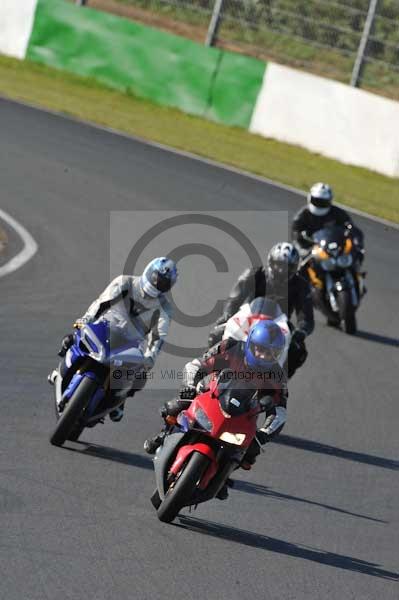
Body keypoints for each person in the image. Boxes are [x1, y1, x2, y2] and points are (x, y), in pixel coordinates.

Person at [144, 320, 288, 499]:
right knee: (178, 404)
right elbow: (197, 364)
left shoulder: (277, 375)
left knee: (250, 450)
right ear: (250, 342)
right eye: (260, 349)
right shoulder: (231, 347)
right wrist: (190, 385)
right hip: (211, 395)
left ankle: (224, 475)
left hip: (243, 416)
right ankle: (163, 435)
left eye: (270, 353)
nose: (263, 356)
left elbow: (280, 412)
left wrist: (265, 432)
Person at [49, 257, 178, 422]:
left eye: (163, 283)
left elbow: (159, 335)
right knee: (71, 340)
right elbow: (101, 302)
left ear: (168, 286)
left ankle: (119, 402)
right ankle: (60, 373)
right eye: (156, 278)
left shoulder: (164, 307)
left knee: (140, 377)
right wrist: (85, 319)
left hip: (130, 344)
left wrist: (150, 357)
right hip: (104, 328)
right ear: (149, 270)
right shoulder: (125, 282)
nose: (157, 283)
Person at [208, 242, 314, 379]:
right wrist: (228, 314)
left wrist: (301, 331)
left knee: (298, 351)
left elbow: (306, 316)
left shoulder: (301, 285)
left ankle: (279, 385)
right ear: (270, 261)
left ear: (294, 268)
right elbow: (234, 299)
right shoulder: (254, 273)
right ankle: (207, 378)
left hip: (280, 324)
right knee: (217, 334)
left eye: (287, 267)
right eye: (279, 264)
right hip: (249, 315)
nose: (281, 270)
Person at [291, 182, 365, 271]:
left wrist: (357, 245)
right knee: (299, 271)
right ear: (310, 198)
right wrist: (303, 252)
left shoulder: (338, 213)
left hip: (337, 250)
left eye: (323, 202)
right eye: (317, 201)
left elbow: (353, 229)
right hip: (313, 253)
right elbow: (295, 238)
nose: (319, 204)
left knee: (354, 265)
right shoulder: (301, 217)